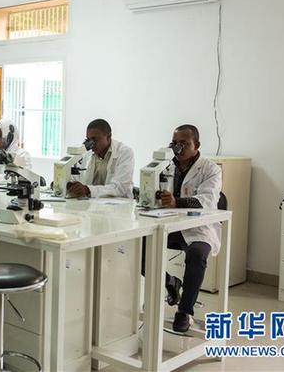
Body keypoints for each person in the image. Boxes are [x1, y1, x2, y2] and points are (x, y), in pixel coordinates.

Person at [142, 124, 222, 333]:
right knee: (137, 246)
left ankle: (184, 311)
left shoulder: (210, 169)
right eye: (174, 143)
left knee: (197, 254)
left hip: (197, 227)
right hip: (167, 224)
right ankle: (170, 282)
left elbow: (208, 200)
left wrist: (176, 201)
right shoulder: (165, 164)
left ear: (197, 145)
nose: (178, 148)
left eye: (184, 143)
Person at [66, 119, 135, 199]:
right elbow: (76, 177)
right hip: (92, 202)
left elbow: (120, 188)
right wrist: (68, 183)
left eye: (94, 139)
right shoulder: (87, 153)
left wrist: (88, 190)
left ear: (108, 137)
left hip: (119, 203)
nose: (91, 144)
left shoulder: (124, 153)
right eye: (88, 140)